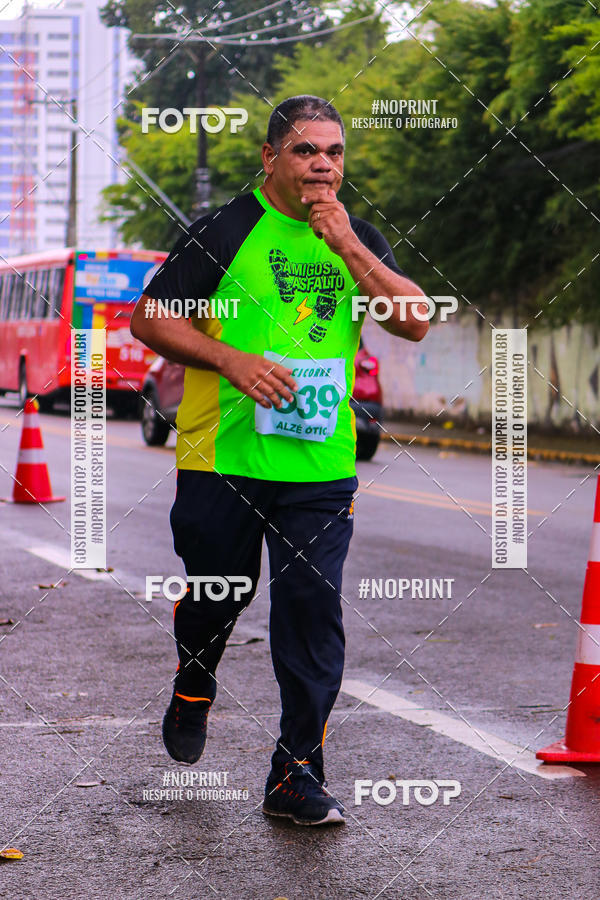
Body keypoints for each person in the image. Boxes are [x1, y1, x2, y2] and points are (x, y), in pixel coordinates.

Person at [130, 94, 428, 826]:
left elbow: (416, 319)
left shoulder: (355, 236)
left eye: (334, 152)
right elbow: (149, 316)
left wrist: (349, 248)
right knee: (218, 596)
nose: (322, 164)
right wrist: (229, 358)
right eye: (304, 151)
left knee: (310, 612)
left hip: (318, 471)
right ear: (270, 159)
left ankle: (295, 776)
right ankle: (194, 683)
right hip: (220, 459)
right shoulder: (226, 229)